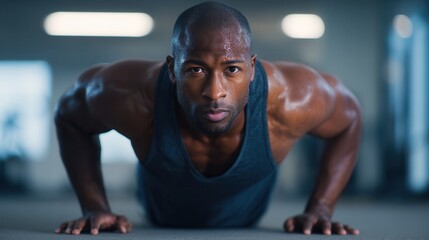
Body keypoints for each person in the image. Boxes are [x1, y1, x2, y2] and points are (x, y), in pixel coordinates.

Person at [54, 1, 361, 236]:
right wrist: (95, 206)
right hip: (160, 211)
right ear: (173, 69)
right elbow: (69, 116)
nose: (215, 93)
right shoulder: (130, 95)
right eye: (196, 69)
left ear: (252, 67)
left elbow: (350, 118)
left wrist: (320, 207)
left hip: (246, 216)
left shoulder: (293, 98)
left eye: (232, 69)